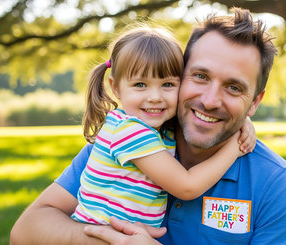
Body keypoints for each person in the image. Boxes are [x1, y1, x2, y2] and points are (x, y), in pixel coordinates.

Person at [10, 7, 286, 245]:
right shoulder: (130, 140)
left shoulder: (274, 184)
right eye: (200, 76)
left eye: (233, 88)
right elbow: (25, 232)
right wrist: (106, 239)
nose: (211, 100)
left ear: (254, 102)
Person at [68, 27, 254, 228]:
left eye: (167, 85)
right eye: (140, 84)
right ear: (115, 87)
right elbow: (187, 187)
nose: (155, 97)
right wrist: (235, 147)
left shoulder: (158, 128)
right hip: (102, 235)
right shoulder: (130, 132)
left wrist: (241, 119)